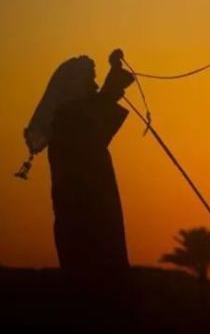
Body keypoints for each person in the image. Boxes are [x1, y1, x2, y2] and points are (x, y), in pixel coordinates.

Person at [23, 51, 135, 289]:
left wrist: (112, 82)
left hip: (96, 208)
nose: (94, 85)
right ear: (75, 85)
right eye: (90, 80)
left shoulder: (73, 117)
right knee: (93, 272)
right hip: (85, 215)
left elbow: (97, 115)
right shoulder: (67, 120)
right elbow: (92, 124)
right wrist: (111, 85)